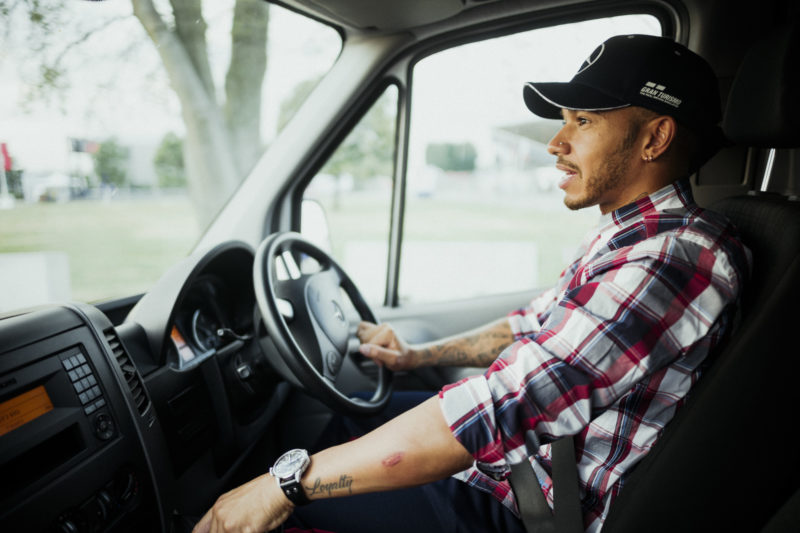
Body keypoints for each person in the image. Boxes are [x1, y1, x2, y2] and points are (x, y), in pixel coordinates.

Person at [193, 34, 751, 533]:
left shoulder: (674, 259)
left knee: (284, 507)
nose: (556, 143)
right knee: (350, 422)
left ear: (655, 137)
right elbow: (530, 327)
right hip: (521, 470)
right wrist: (415, 356)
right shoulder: (631, 236)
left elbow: (503, 406)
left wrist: (284, 484)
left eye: (583, 121)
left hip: (531, 508)